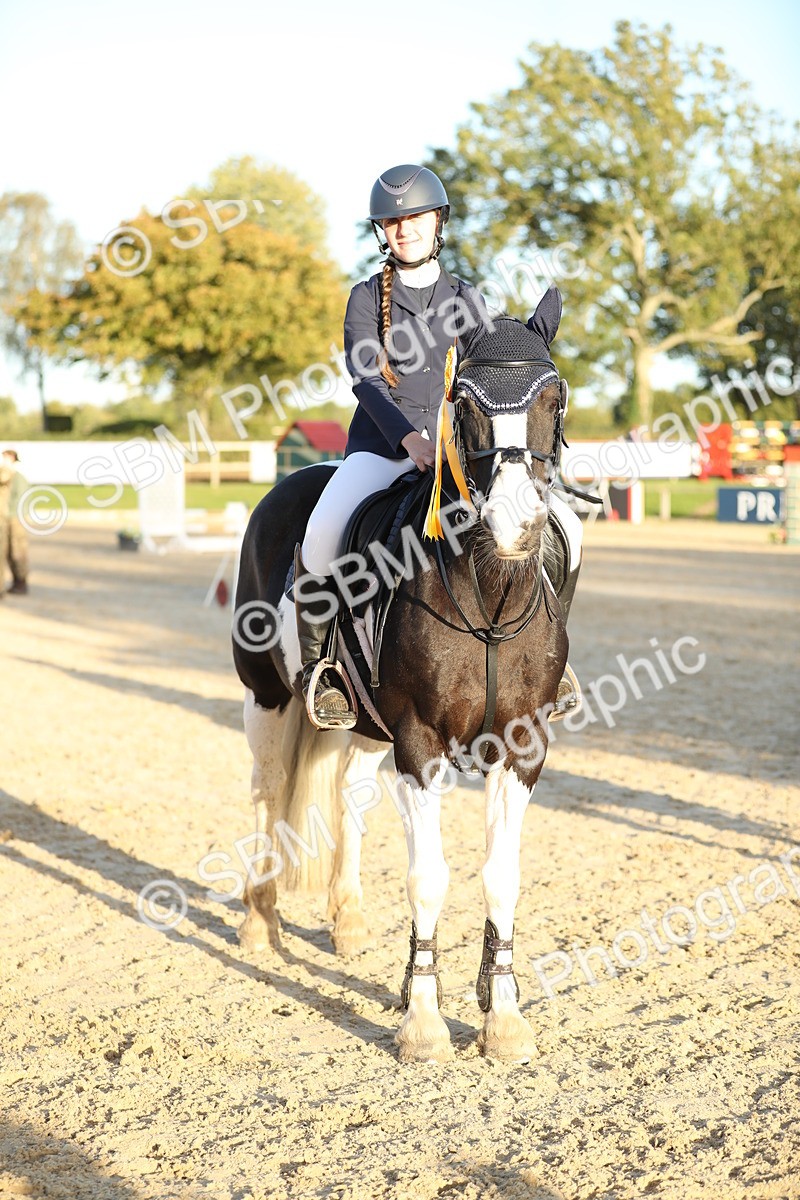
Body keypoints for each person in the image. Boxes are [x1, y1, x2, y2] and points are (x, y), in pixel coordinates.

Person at [295, 163, 582, 729]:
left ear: (437, 223)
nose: (404, 230)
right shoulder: (362, 298)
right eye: (393, 222)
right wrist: (409, 440)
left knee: (563, 530)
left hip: (459, 455)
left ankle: (552, 659)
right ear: (383, 232)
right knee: (324, 532)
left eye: (415, 219)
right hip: (381, 449)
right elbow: (365, 380)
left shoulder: (467, 299)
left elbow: (491, 377)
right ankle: (321, 668)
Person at [2, 450, 29, 594]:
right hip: (6, 518)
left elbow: (20, 500)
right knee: (6, 551)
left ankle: (20, 581)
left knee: (17, 550)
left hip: (15, 518)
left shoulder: (18, 477)